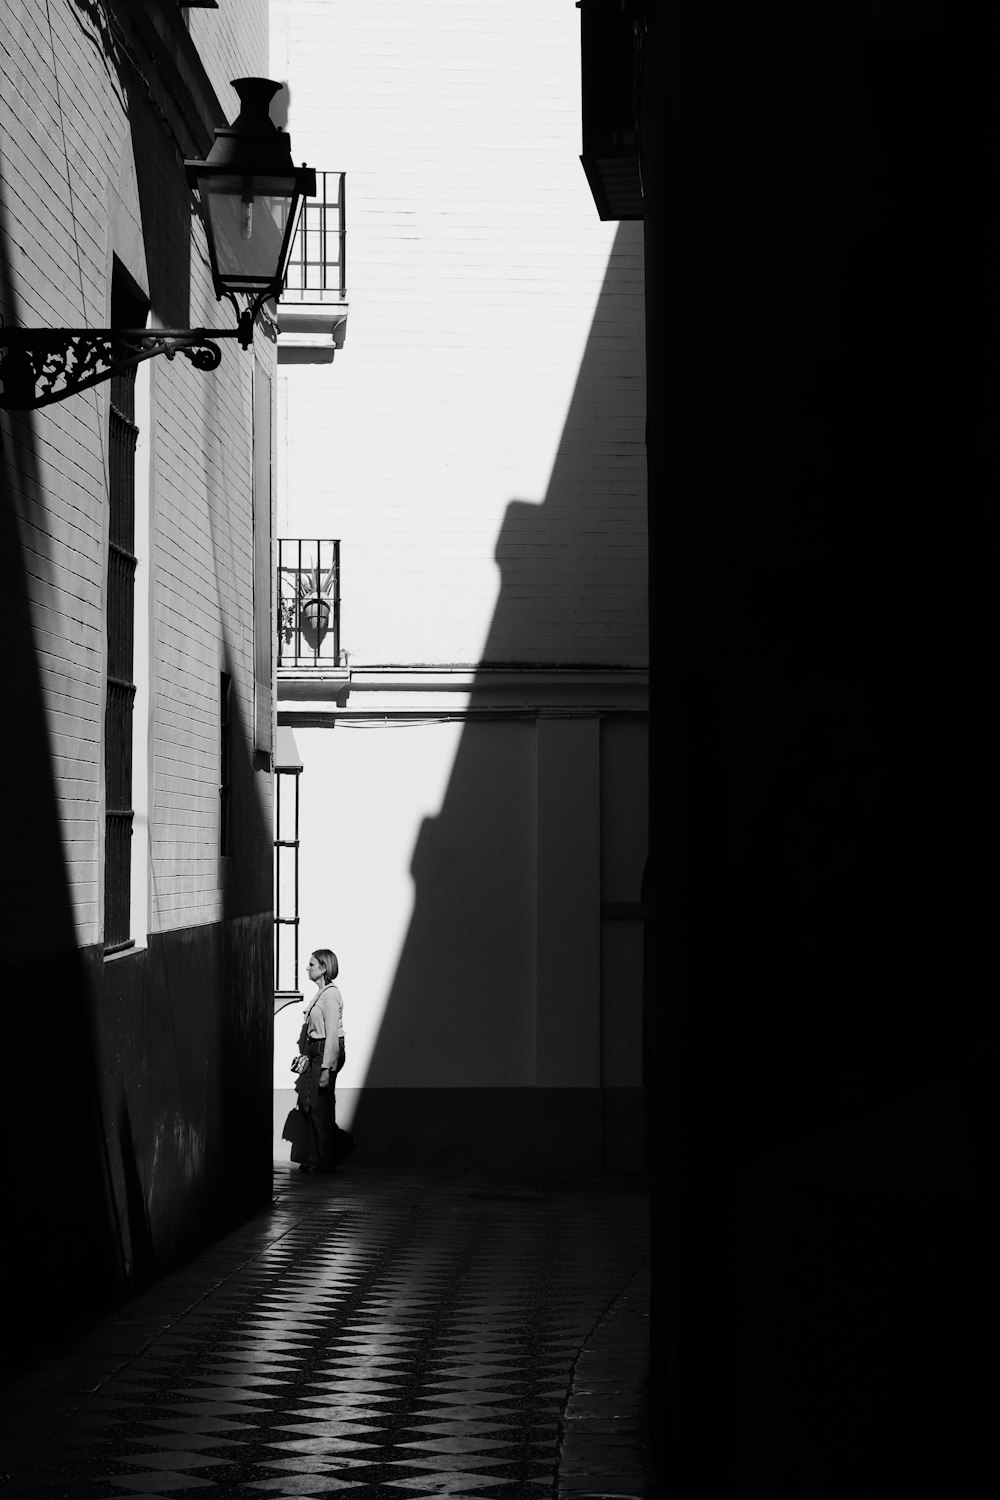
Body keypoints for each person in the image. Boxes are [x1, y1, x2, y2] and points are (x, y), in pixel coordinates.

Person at [292, 948, 346, 1172]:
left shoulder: (331, 994)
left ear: (324, 968)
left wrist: (326, 1068)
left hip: (326, 1050)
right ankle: (332, 1148)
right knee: (307, 1103)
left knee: (319, 1106)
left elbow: (332, 1032)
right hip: (315, 1051)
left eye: (312, 964)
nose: (307, 968)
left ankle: (326, 1157)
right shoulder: (321, 993)